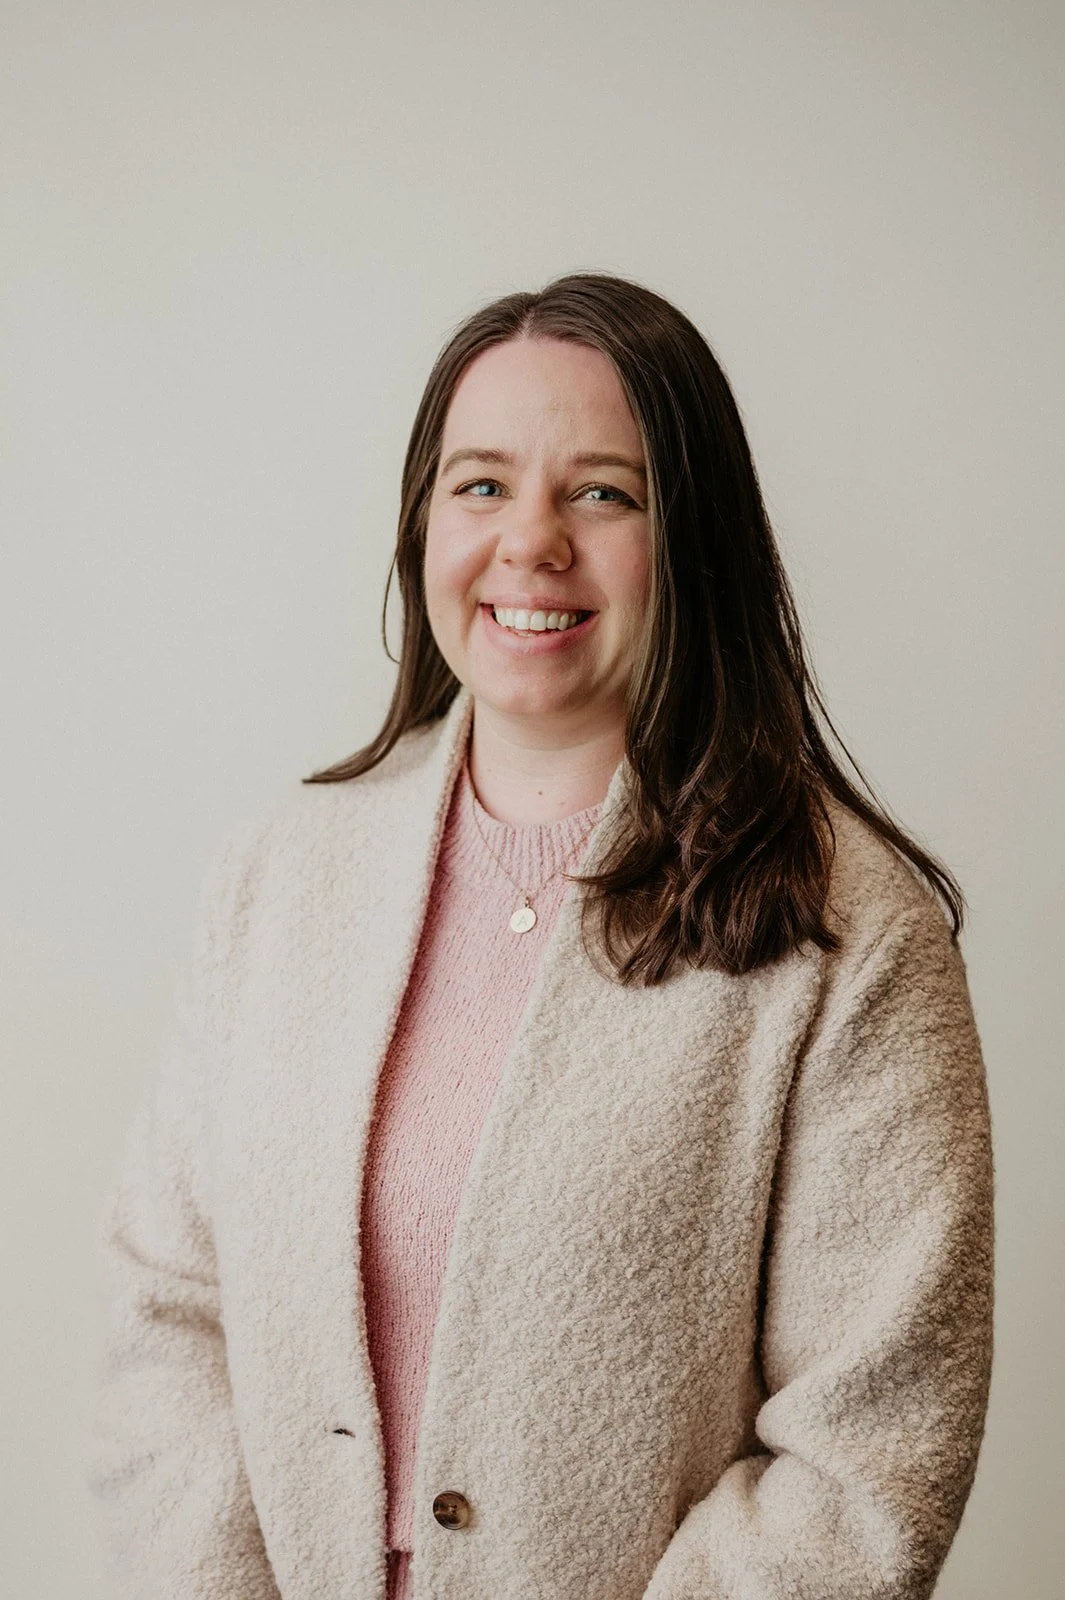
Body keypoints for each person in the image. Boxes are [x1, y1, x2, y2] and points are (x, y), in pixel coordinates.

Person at [88, 272, 994, 1600]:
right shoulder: (281, 875)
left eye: (604, 493)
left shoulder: (851, 935)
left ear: (694, 540)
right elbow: (166, 1309)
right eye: (483, 485)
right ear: (421, 525)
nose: (531, 543)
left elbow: (867, 1463)